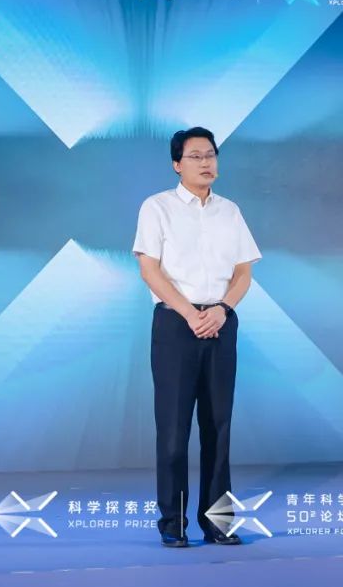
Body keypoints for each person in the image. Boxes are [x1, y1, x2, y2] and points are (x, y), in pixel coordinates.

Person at [132, 127, 262, 548]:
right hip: (176, 324)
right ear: (177, 164)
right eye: (195, 156)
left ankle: (218, 522)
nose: (206, 162)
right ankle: (173, 522)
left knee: (218, 428)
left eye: (211, 155)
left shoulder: (230, 211)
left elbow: (243, 272)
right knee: (173, 431)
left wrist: (222, 310)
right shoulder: (157, 207)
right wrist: (191, 314)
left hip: (221, 323)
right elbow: (150, 270)